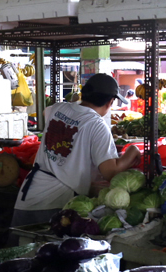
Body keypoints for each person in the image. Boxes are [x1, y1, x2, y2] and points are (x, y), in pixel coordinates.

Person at [12, 73, 141, 227]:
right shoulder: (96, 125)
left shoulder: (59, 108)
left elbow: (46, 112)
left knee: (18, 247)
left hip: (29, 195)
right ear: (110, 102)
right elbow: (110, 172)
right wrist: (133, 151)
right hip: (54, 203)